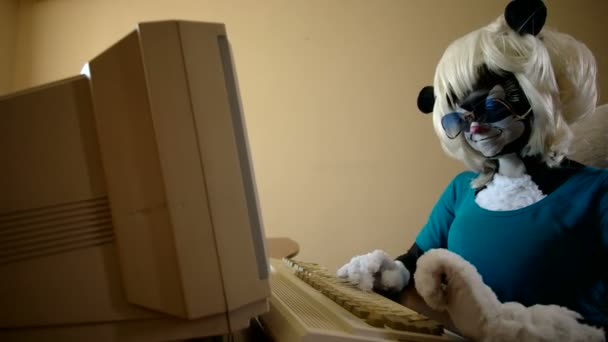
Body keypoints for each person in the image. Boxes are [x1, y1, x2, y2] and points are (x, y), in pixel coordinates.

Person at [337, 0, 608, 338]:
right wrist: (386, 273)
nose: (475, 128)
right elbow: (415, 261)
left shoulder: (597, 191)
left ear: (534, 97)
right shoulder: (460, 190)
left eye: (492, 106)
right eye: (461, 119)